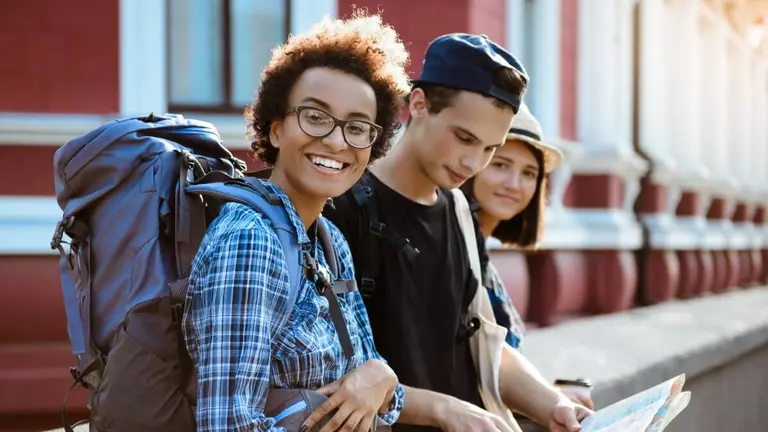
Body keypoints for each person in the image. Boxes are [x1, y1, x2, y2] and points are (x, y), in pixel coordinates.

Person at [323, 33, 593, 432]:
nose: (473, 162)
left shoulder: (461, 211)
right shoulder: (339, 206)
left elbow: (483, 344)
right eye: (464, 138)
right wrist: (443, 410)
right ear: (419, 105)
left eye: (490, 148)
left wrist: (554, 405)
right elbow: (323, 376)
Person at [182, 12, 412, 431]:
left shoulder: (330, 241)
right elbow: (227, 425)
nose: (337, 141)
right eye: (316, 117)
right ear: (275, 130)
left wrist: (382, 377)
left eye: (357, 127)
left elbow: (378, 389)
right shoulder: (250, 241)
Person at [461, 103, 595, 411]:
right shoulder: (452, 246)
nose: (514, 184)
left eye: (529, 173)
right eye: (501, 165)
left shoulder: (482, 254)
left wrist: (547, 392)